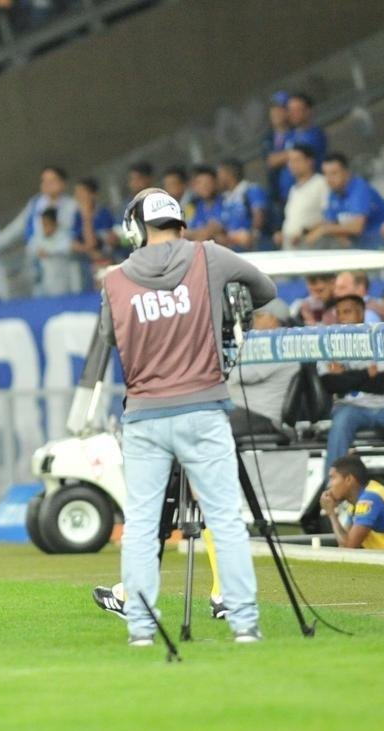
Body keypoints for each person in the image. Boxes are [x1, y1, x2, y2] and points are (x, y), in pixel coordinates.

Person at [98, 187, 276, 645]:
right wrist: (218, 313)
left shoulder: (115, 279)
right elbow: (265, 290)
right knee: (225, 518)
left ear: (137, 229)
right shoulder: (208, 257)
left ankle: (141, 629)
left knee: (141, 524)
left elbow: (111, 337)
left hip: (144, 413)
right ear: (180, 223)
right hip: (203, 406)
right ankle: (244, 624)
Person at [317, 294, 384, 488]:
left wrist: (346, 377)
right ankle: (331, 487)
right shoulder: (330, 342)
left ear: (361, 313)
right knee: (339, 426)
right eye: (338, 313)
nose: (341, 317)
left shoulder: (380, 338)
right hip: (350, 407)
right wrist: (366, 373)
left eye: (347, 312)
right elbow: (330, 385)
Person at [226, 299, 300, 435]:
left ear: (274, 319)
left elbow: (238, 375)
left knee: (209, 427)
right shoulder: (261, 343)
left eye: (259, 316)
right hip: (240, 410)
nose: (253, 321)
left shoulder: (280, 347)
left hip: (259, 414)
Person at [320, 455, 384, 550]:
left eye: (333, 478)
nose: (329, 485)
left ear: (349, 479)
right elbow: (345, 540)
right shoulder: (356, 503)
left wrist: (331, 513)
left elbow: (348, 546)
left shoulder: (369, 499)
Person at [305, 153, 384, 249]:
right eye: (325, 174)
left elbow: (357, 227)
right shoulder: (334, 193)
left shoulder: (360, 189)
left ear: (346, 172)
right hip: (365, 246)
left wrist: (324, 229)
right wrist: (311, 230)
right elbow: (331, 222)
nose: (329, 179)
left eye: (334, 173)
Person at [275, 144, 329, 250]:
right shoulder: (293, 189)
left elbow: (329, 217)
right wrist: (282, 234)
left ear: (309, 161)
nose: (292, 165)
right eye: (290, 161)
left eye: (297, 160)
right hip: (290, 248)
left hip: (312, 247)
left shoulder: (321, 183)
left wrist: (305, 232)